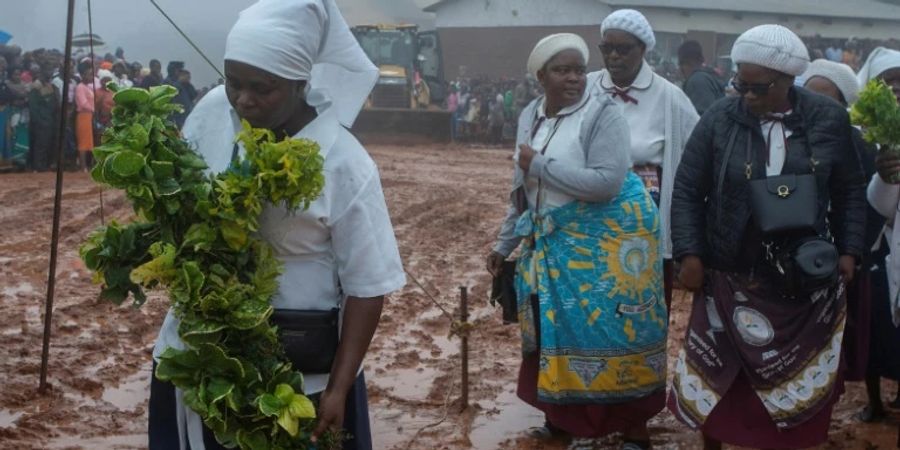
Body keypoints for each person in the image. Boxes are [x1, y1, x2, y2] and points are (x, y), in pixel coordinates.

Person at [147, 1, 406, 449]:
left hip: (299, 376)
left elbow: (368, 287)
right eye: (233, 83)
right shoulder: (213, 114)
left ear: (299, 83)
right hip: (203, 354)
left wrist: (339, 388)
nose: (243, 99)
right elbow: (179, 203)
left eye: (261, 88)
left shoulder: (344, 162)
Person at [669, 24, 866, 450]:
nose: (745, 95)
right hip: (729, 266)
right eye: (739, 83)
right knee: (724, 370)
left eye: (757, 88)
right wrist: (689, 252)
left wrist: (850, 249)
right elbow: (687, 188)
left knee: (800, 372)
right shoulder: (719, 118)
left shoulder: (828, 118)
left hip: (804, 272)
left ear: (786, 81)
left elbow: (850, 189)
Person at [487, 33, 667, 449]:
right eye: (561, 70)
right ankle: (561, 421)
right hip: (550, 244)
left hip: (605, 249)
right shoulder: (531, 115)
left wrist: (541, 164)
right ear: (540, 76)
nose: (573, 78)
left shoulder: (603, 114)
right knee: (554, 334)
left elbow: (606, 183)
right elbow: (523, 188)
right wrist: (503, 245)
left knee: (613, 335)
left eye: (579, 70)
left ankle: (634, 432)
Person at [589, 9, 700, 310]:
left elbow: (698, 161)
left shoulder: (670, 97)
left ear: (643, 50)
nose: (613, 56)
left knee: (639, 308)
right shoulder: (585, 89)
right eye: (606, 48)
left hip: (644, 224)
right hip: (589, 217)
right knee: (591, 304)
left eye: (623, 49)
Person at [858, 46, 900, 423]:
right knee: (872, 325)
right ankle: (874, 399)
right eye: (889, 82)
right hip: (871, 246)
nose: (897, 90)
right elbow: (873, 205)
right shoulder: (857, 134)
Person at [678, 40, 725, 116]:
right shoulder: (709, 76)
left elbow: (700, 118)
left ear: (688, 62)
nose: (680, 69)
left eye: (681, 64)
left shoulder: (697, 81)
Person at [74, 62, 95, 171]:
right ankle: (83, 166)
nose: (91, 77)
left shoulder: (88, 87)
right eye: (88, 74)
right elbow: (83, 103)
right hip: (83, 115)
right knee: (83, 141)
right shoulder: (80, 87)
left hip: (89, 115)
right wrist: (93, 109)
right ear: (82, 75)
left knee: (89, 141)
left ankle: (87, 164)